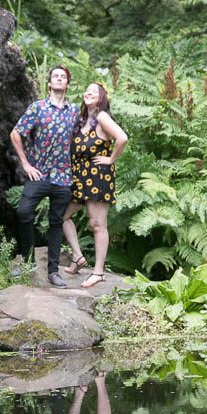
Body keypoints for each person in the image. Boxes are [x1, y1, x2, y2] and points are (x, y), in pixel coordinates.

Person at [10, 66, 78, 288]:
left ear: (67, 84)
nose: (59, 79)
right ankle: (28, 260)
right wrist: (26, 164)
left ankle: (53, 271)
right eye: (55, 76)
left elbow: (89, 134)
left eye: (63, 77)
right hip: (39, 174)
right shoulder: (37, 108)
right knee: (23, 212)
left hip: (64, 177)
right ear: (49, 83)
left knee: (56, 223)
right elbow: (16, 133)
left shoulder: (75, 111)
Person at [62, 82, 128, 289]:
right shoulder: (81, 120)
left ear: (102, 98)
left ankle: (98, 272)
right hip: (80, 177)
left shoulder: (102, 117)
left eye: (94, 90)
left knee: (97, 224)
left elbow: (122, 138)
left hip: (98, 176)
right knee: (61, 216)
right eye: (86, 89)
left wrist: (110, 159)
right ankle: (78, 257)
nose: (88, 92)